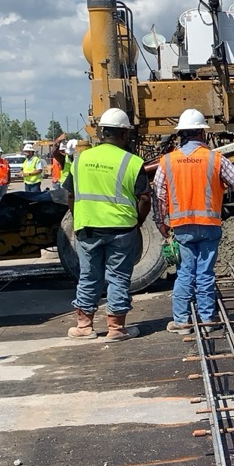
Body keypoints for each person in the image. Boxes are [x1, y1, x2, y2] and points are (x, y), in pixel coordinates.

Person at [64, 108, 152, 341]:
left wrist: (80, 217)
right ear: (124, 134)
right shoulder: (132, 162)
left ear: (102, 132)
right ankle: (116, 329)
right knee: (119, 277)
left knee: (89, 275)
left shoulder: (80, 160)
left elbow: (70, 196)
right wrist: (138, 222)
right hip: (122, 229)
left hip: (88, 228)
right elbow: (144, 198)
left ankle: (83, 327)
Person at [153, 108, 234, 335]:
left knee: (185, 272)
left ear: (181, 134)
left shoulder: (167, 162)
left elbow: (159, 194)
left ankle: (182, 322)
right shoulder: (215, 158)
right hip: (210, 225)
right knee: (205, 273)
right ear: (202, 134)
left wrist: (160, 222)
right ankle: (208, 319)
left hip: (182, 226)